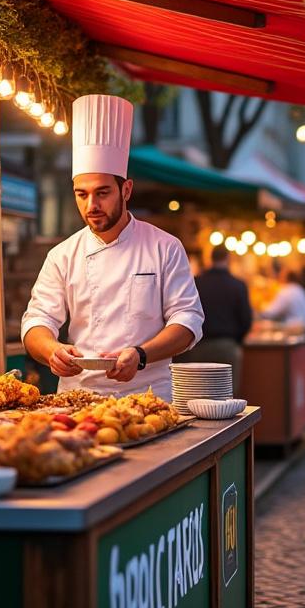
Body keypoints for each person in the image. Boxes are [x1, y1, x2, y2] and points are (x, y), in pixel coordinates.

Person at [23, 95, 205, 400]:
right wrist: (51, 350)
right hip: (76, 400)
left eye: (102, 193)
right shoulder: (62, 255)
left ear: (127, 189)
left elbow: (188, 321)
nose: (91, 205)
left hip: (148, 398)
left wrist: (141, 354)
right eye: (82, 194)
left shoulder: (165, 247)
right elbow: (36, 321)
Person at [188, 246, 254, 393]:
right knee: (227, 395)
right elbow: (246, 320)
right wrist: (236, 340)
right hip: (227, 346)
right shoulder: (238, 285)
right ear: (228, 258)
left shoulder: (197, 282)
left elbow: (188, 313)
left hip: (199, 346)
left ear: (210, 259)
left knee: (199, 393)